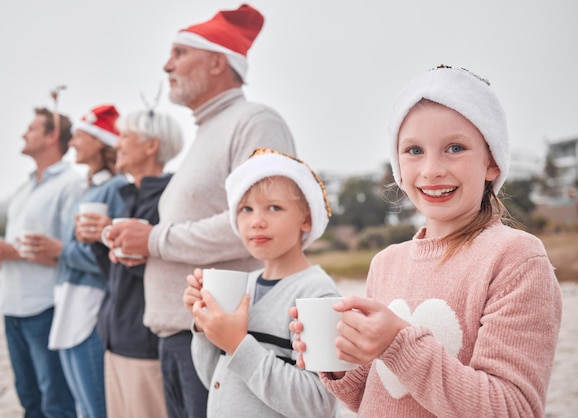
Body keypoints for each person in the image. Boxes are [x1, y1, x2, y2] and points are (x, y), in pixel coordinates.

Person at [290, 65, 563, 417]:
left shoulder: (516, 259)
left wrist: (397, 344)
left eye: (454, 147)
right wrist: (338, 359)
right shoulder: (385, 263)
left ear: (492, 162)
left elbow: (512, 408)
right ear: (397, 167)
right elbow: (376, 396)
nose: (432, 169)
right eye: (414, 151)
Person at [104, 4, 296, 417]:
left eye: (179, 53)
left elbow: (263, 225)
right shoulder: (208, 129)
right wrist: (142, 246)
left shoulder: (254, 120)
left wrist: (154, 239)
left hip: (221, 336)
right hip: (180, 335)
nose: (166, 65)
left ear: (215, 62)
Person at [183, 148, 340, 417]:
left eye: (274, 207)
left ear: (306, 219)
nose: (256, 221)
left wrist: (237, 344)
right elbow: (216, 380)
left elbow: (319, 404)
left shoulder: (319, 295)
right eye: (246, 209)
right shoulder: (245, 285)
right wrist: (204, 327)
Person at [0, 107, 81, 417]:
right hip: (11, 306)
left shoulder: (70, 184)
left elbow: (71, 253)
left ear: (52, 137)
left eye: (31, 129)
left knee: (56, 401)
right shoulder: (23, 189)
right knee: (28, 399)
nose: (24, 134)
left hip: (45, 307)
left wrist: (12, 252)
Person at [27, 104, 127, 418]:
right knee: (82, 405)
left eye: (79, 136)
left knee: (96, 405)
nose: (72, 143)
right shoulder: (91, 187)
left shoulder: (116, 188)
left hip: (91, 303)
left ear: (99, 141)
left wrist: (59, 251)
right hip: (69, 300)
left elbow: (107, 256)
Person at [93, 108, 183, 418]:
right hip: (114, 339)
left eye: (126, 136)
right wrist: (99, 240)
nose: (117, 144)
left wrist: (129, 250)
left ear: (151, 145)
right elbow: (113, 274)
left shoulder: (172, 199)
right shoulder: (128, 196)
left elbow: (171, 273)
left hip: (144, 347)